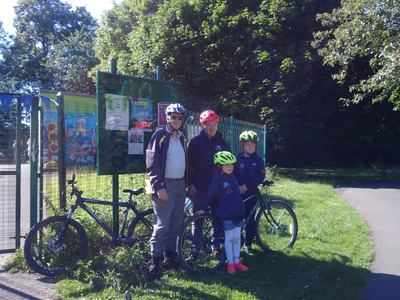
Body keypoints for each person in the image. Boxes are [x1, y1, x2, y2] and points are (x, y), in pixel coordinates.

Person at [145, 103, 188, 281]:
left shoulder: (181, 136)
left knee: (176, 222)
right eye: (173, 117)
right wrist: (159, 186)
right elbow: (152, 163)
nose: (177, 120)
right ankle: (154, 264)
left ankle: (168, 259)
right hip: (164, 185)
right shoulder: (159, 135)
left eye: (180, 117)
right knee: (162, 224)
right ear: (167, 117)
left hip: (180, 184)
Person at [186, 110, 231, 260]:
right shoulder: (195, 142)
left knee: (217, 217)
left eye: (214, 124)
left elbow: (229, 165)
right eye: (208, 124)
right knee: (198, 218)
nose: (212, 127)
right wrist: (190, 184)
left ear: (217, 124)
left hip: (218, 187)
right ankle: (195, 250)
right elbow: (188, 166)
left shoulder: (222, 143)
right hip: (199, 187)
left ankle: (215, 246)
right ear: (203, 126)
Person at [196, 151, 249, 274]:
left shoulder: (233, 176)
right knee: (229, 238)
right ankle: (230, 263)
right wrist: (204, 208)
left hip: (238, 213)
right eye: (226, 164)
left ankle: (237, 261)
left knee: (237, 238)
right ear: (220, 166)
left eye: (231, 164)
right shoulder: (217, 179)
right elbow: (210, 195)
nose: (230, 167)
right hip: (227, 214)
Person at [235, 131, 265, 255]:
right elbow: (231, 174)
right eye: (247, 144)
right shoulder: (237, 159)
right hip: (237, 194)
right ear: (242, 145)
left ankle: (248, 244)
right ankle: (236, 242)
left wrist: (247, 185)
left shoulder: (258, 160)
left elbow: (260, 176)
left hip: (251, 194)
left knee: (250, 220)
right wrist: (237, 186)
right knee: (237, 219)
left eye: (253, 143)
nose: (250, 146)